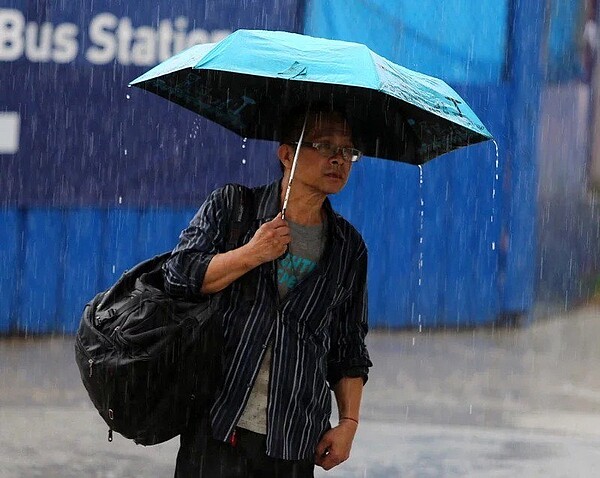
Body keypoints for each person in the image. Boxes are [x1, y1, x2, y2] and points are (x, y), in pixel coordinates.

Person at [163, 104, 373, 477]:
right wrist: (250, 253)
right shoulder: (233, 207)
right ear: (287, 153)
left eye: (348, 151)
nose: (339, 159)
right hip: (216, 425)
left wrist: (349, 423)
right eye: (324, 145)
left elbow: (348, 344)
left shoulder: (348, 247)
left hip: (294, 440)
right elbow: (180, 275)